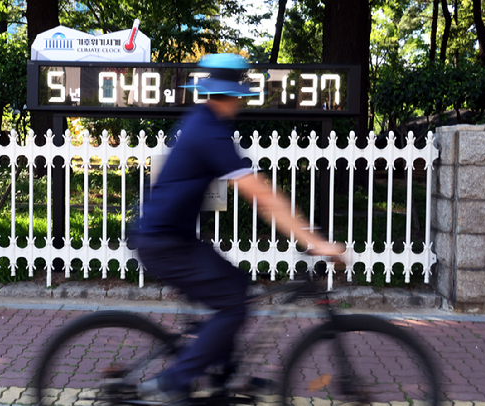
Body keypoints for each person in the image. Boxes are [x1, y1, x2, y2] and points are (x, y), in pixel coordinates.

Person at [132, 53, 345, 404]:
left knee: (236, 286)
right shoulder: (209, 132)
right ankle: (173, 383)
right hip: (164, 243)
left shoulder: (203, 121)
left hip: (172, 237)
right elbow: (260, 195)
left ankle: (225, 376)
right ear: (233, 93)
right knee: (234, 305)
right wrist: (313, 241)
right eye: (241, 91)